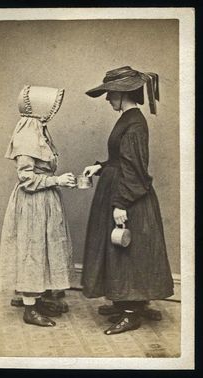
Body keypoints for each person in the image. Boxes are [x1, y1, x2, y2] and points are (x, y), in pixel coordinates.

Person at [81, 66, 174, 335]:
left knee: (128, 253)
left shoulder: (134, 123)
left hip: (129, 194)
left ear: (123, 94)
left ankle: (132, 312)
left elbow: (135, 168)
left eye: (110, 93)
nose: (108, 98)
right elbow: (122, 159)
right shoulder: (129, 118)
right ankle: (126, 301)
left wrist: (121, 203)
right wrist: (100, 166)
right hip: (120, 188)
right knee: (124, 252)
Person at [0, 85, 76, 327]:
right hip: (33, 202)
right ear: (40, 109)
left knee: (43, 248)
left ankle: (38, 298)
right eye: (50, 108)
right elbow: (27, 179)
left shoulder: (40, 131)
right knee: (32, 249)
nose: (52, 112)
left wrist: (58, 182)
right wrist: (58, 180)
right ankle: (29, 309)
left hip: (45, 201)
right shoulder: (26, 135)